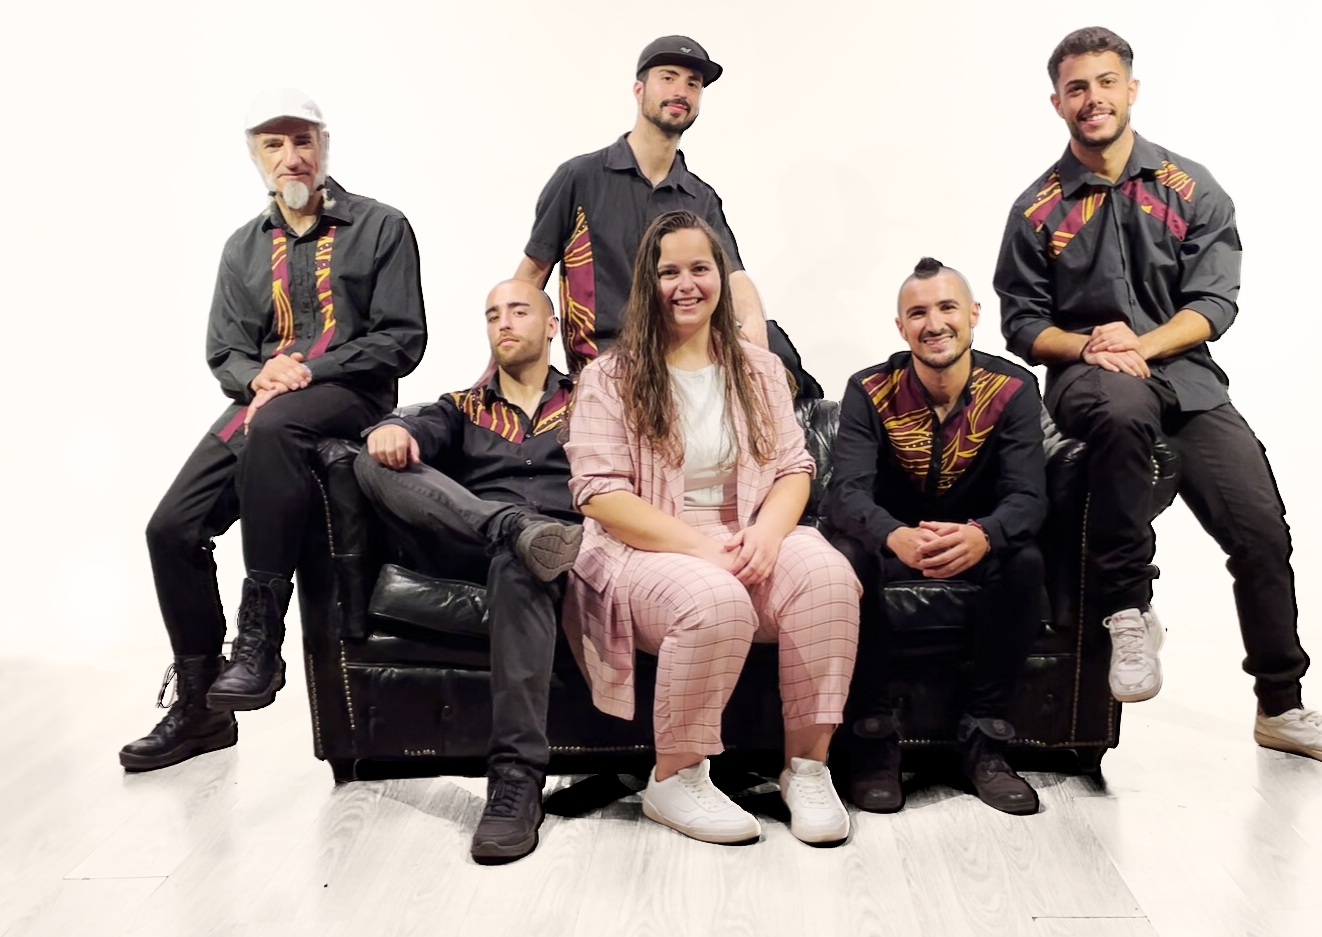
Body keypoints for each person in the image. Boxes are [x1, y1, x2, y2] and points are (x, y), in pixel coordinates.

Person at [992, 27, 1322, 768]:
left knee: (1261, 532)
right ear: (1056, 102)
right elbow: (1023, 324)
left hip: (1187, 378)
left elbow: (1215, 303)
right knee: (1121, 413)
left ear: (1132, 89)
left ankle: (1282, 706)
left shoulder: (1192, 188)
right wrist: (1091, 348)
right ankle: (1127, 610)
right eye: (1076, 87)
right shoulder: (1037, 209)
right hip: (1089, 377)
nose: (1093, 98)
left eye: (1106, 82)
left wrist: (1142, 344)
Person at [120, 89, 428, 773]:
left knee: (279, 424)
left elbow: (401, 339)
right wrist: (261, 375)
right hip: (263, 403)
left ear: (325, 145)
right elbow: (226, 352)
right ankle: (200, 706)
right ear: (255, 155)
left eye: (303, 139)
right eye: (274, 143)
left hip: (350, 394)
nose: (292, 156)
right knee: (170, 528)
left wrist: (306, 372)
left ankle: (260, 638)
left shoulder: (382, 226)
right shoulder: (242, 247)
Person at [563, 210, 861, 845]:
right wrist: (704, 549)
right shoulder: (608, 378)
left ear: (721, 277)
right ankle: (676, 779)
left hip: (745, 530)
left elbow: (794, 468)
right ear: (648, 284)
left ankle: (808, 771)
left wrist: (768, 535)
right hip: (643, 545)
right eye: (669, 271)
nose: (686, 284)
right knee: (714, 597)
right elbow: (600, 495)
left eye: (700, 268)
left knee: (829, 576)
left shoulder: (760, 370)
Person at [353, 278, 582, 864]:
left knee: (525, 562)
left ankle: (515, 780)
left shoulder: (591, 398)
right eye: (492, 314)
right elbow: (414, 436)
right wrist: (393, 430)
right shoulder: (461, 406)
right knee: (370, 461)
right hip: (473, 539)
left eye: (519, 310)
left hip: (565, 547)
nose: (503, 322)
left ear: (551, 326)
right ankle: (509, 525)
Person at [826, 258, 1047, 815]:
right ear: (901, 327)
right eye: (918, 312)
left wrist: (984, 535)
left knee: (1024, 560)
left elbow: (1028, 496)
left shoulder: (1014, 388)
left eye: (947, 307)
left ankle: (986, 744)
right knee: (848, 556)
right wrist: (893, 535)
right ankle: (873, 741)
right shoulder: (868, 389)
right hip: (891, 547)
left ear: (973, 314)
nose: (934, 323)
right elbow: (846, 493)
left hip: (975, 545)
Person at [513, 35, 818, 395]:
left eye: (693, 84)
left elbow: (734, 276)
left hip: (685, 355)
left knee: (781, 355)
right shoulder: (580, 178)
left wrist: (754, 327)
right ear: (639, 90)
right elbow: (531, 275)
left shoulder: (700, 197)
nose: (681, 92)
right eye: (668, 78)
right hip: (610, 363)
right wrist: (507, 374)